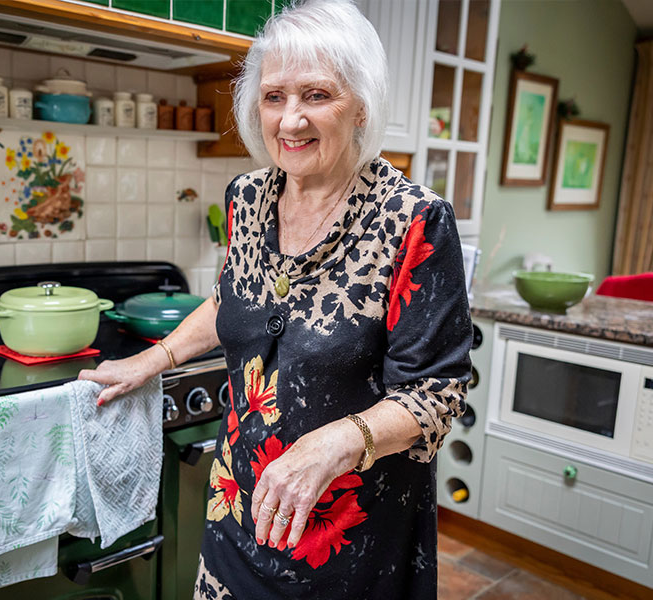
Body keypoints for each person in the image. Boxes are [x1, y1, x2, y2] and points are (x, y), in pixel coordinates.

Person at [79, 0, 472, 597]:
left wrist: (331, 444)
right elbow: (232, 298)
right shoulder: (249, 197)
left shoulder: (414, 220)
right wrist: (152, 359)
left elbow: (436, 394)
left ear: (361, 105)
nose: (290, 120)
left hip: (348, 536)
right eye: (273, 97)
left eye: (316, 95)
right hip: (237, 510)